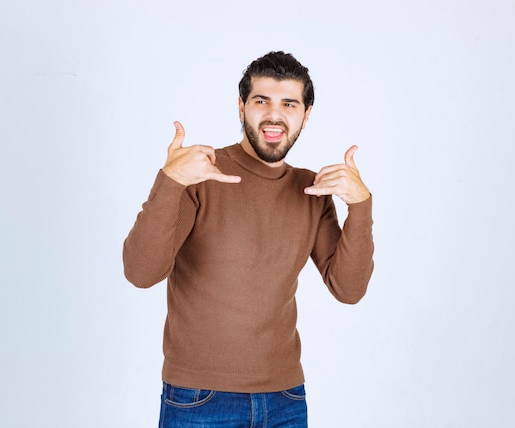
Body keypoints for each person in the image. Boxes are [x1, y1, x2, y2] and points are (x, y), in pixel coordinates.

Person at [123, 51, 374, 428]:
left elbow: (349, 289)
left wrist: (360, 206)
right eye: (262, 101)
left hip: (286, 398)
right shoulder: (201, 174)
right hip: (199, 398)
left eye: (289, 103)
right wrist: (171, 181)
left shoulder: (311, 190)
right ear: (242, 108)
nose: (275, 115)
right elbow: (141, 273)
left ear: (306, 115)